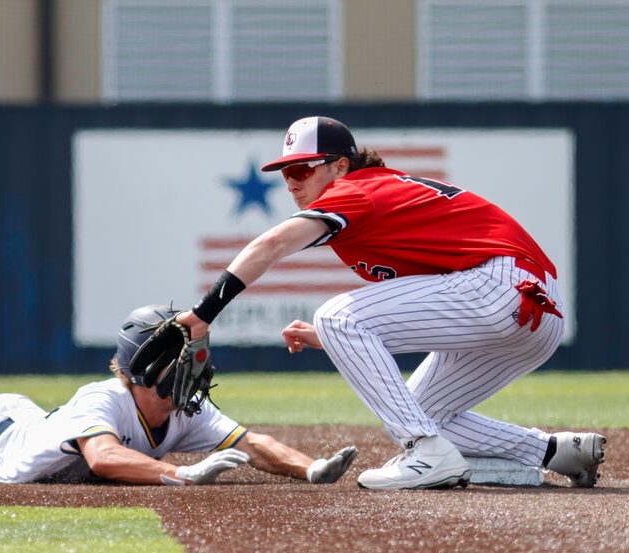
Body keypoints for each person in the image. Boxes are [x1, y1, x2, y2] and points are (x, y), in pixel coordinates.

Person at [174, 116, 606, 490]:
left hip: (503, 287)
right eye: (286, 173)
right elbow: (430, 303)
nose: (291, 182)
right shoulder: (382, 197)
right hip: (536, 311)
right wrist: (333, 338)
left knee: (338, 316)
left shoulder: (356, 190)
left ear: (340, 166)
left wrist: (202, 314)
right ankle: (556, 452)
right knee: (417, 408)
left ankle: (427, 452)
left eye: (302, 169)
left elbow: (271, 244)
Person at [0, 304, 357, 486]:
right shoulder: (105, 399)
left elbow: (253, 442)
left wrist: (309, 468)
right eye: (180, 355)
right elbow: (103, 456)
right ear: (147, 366)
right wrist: (179, 475)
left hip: (15, 420)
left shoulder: (182, 409)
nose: (194, 365)